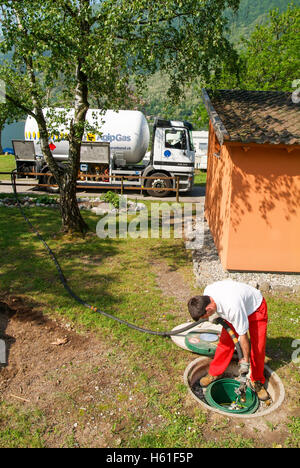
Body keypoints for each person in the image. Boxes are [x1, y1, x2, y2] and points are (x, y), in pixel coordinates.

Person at [188, 280, 269, 401]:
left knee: (258, 347)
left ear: (209, 308)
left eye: (205, 317)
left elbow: (243, 336)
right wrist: (214, 316)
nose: (207, 319)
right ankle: (215, 372)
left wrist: (245, 361)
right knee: (225, 343)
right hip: (237, 305)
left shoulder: (232, 308)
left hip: (255, 308)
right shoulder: (207, 292)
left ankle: (257, 381)